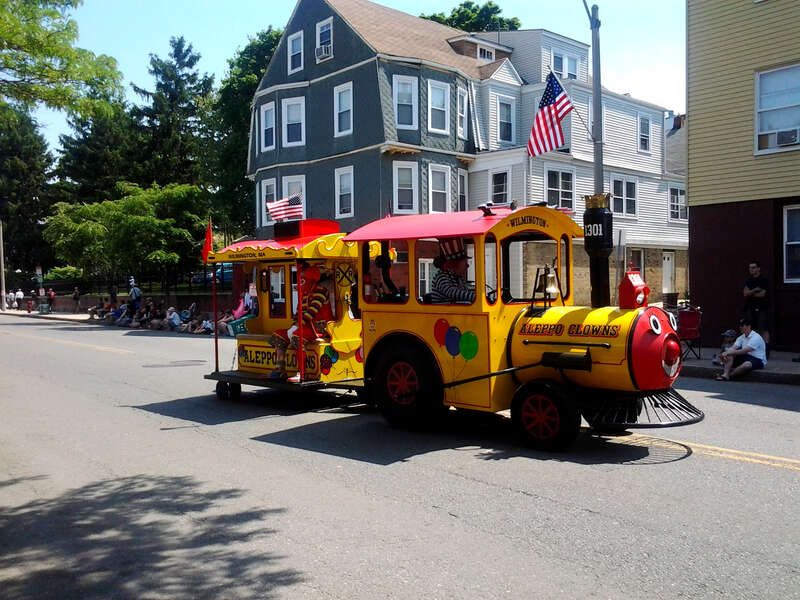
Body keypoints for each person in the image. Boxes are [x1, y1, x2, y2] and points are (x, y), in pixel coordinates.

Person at [268, 264, 333, 379]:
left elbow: (311, 312)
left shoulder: (321, 291)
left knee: (297, 337)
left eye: (302, 280)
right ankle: (280, 369)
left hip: (320, 328)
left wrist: (297, 327)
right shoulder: (303, 294)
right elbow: (298, 313)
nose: (300, 283)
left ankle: (302, 373)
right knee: (278, 335)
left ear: (311, 279)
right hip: (305, 326)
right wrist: (294, 325)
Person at [431, 238, 476, 304]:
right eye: (464, 263)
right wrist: (476, 297)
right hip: (443, 312)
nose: (467, 266)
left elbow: (465, 291)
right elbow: (452, 292)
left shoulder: (458, 278)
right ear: (455, 265)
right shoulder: (442, 277)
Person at [743, 260, 769, 350]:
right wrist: (754, 290)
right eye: (750, 268)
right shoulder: (749, 280)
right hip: (750, 307)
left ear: (758, 268)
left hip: (762, 307)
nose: (751, 269)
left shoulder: (763, 280)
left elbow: (762, 294)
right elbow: (745, 293)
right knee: (752, 328)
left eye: (753, 267)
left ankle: (765, 349)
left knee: (763, 328)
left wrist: (750, 293)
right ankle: (754, 347)